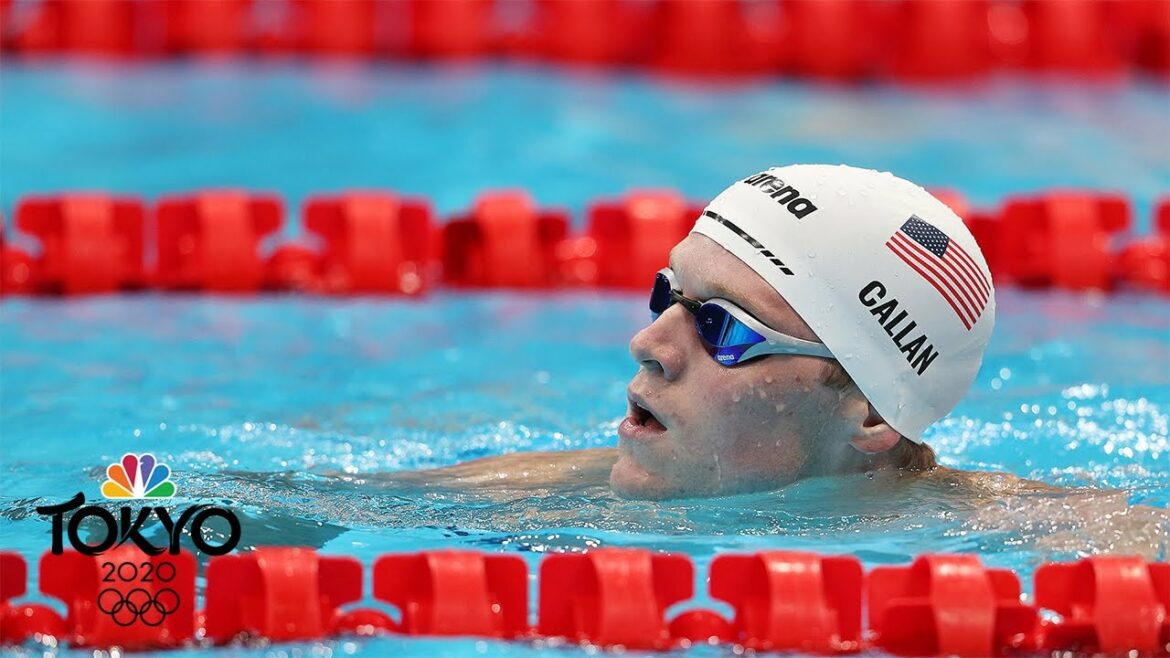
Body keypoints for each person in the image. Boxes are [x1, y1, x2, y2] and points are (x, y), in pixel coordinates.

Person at [395, 164, 997, 500]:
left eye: (723, 326)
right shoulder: (524, 495)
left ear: (870, 413)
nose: (649, 345)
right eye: (669, 293)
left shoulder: (1035, 544)